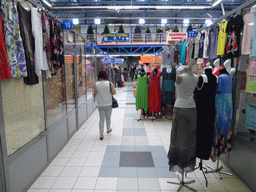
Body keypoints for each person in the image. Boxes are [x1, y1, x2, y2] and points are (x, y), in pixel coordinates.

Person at [93, 69, 116, 140]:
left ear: (99, 76)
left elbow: (94, 94)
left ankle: (101, 134)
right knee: (108, 117)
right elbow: (114, 92)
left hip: (100, 104)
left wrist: (95, 98)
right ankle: (108, 129)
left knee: (101, 119)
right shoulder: (109, 83)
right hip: (108, 103)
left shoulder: (96, 84)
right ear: (106, 76)